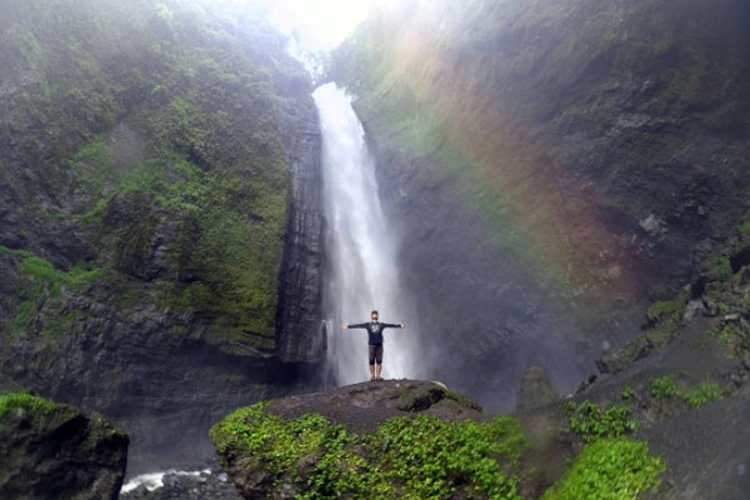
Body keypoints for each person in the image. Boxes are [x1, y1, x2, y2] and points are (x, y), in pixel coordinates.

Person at [343, 310, 404, 381]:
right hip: (371, 345)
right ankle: (372, 376)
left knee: (379, 361)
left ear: (377, 316)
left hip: (379, 345)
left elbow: (390, 325)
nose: (375, 315)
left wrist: (399, 326)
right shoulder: (368, 325)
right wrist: (348, 326)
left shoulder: (381, 325)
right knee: (371, 361)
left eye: (376, 314)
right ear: (371, 316)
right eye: (374, 314)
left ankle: (378, 376)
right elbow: (359, 325)